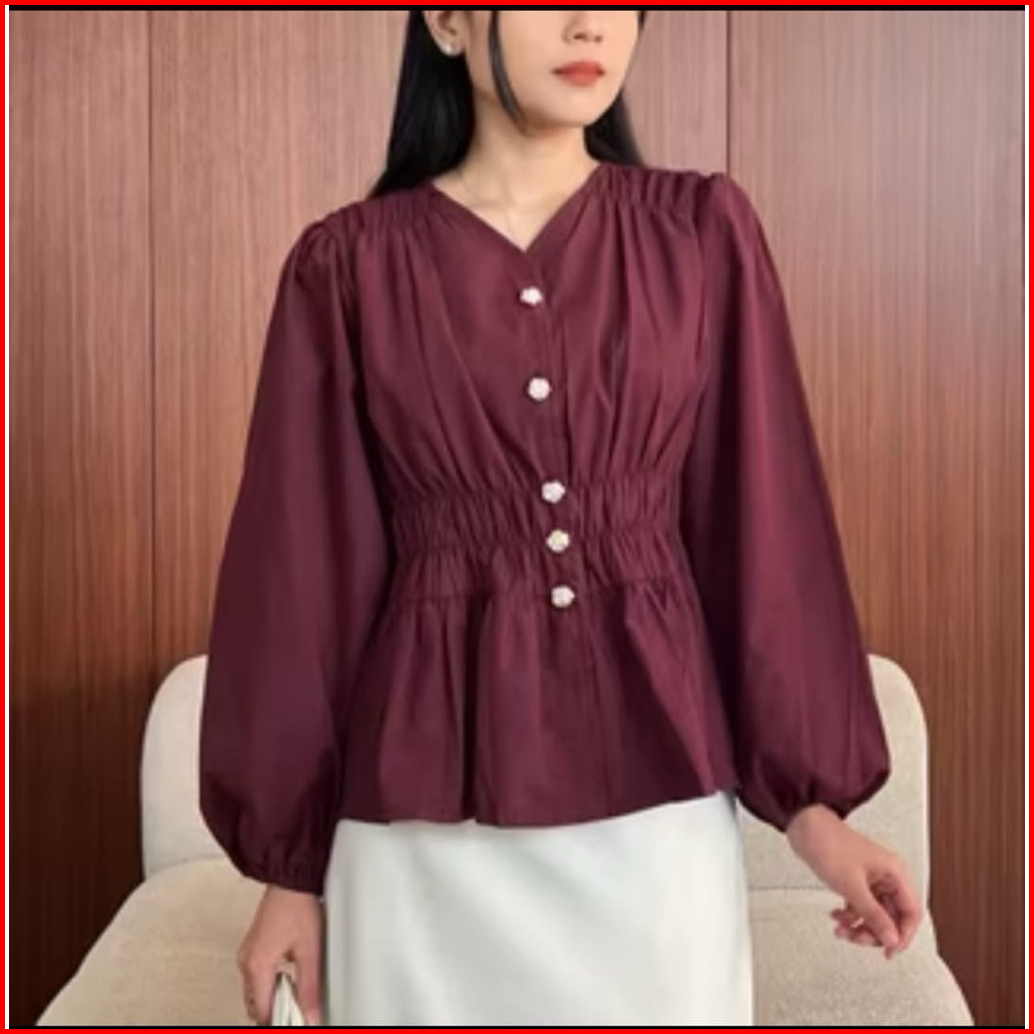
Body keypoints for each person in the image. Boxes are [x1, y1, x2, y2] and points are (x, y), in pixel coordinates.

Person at [198, 10, 923, 1027]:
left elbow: (763, 527)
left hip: (657, 825)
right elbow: (301, 575)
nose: (589, 24)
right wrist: (290, 872)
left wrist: (812, 811)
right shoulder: (347, 266)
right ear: (449, 21)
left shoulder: (699, 234)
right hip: (419, 836)